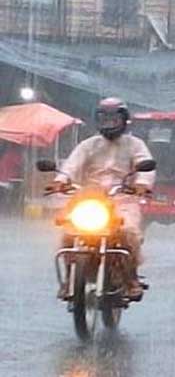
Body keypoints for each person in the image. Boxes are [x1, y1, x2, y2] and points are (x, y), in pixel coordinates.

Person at [49, 98, 155, 299]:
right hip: (90, 198)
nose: (109, 123)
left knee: (129, 233)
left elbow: (145, 166)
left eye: (114, 119)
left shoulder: (135, 145)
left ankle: (131, 279)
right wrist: (61, 180)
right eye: (104, 118)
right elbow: (71, 165)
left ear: (124, 120)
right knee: (68, 233)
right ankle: (70, 278)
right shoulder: (88, 145)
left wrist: (142, 184)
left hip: (123, 198)